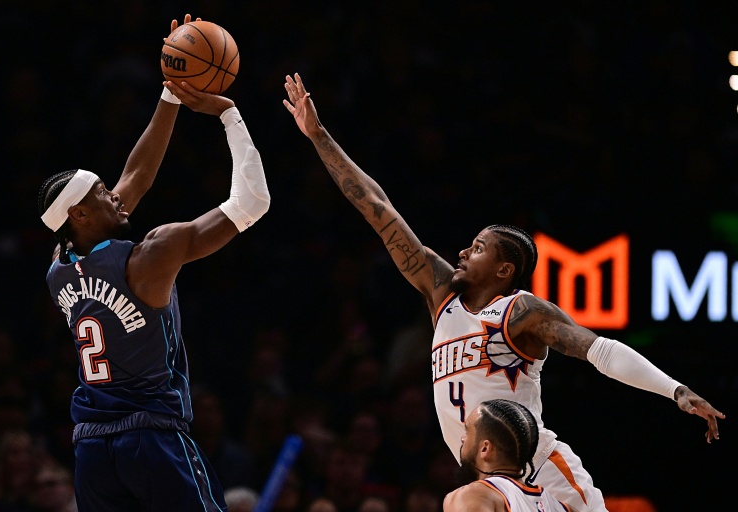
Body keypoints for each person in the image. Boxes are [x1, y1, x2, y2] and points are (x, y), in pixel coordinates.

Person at [282, 73, 724, 512]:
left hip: (539, 468)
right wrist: (318, 135)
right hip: (481, 473)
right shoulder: (441, 294)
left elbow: (599, 351)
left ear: (504, 269)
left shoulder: (520, 311)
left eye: (477, 248)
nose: (462, 252)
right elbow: (379, 209)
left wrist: (675, 390)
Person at [38, 14, 270, 511]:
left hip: (92, 449)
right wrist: (229, 114)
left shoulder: (59, 266)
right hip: (152, 438)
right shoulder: (152, 255)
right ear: (80, 214)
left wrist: (171, 92)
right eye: (103, 193)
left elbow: (137, 176)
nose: (116, 194)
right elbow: (252, 202)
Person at [443, 399, 571, 512]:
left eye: (467, 432)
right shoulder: (561, 507)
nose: (462, 439)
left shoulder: (472, 496)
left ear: (485, 448)